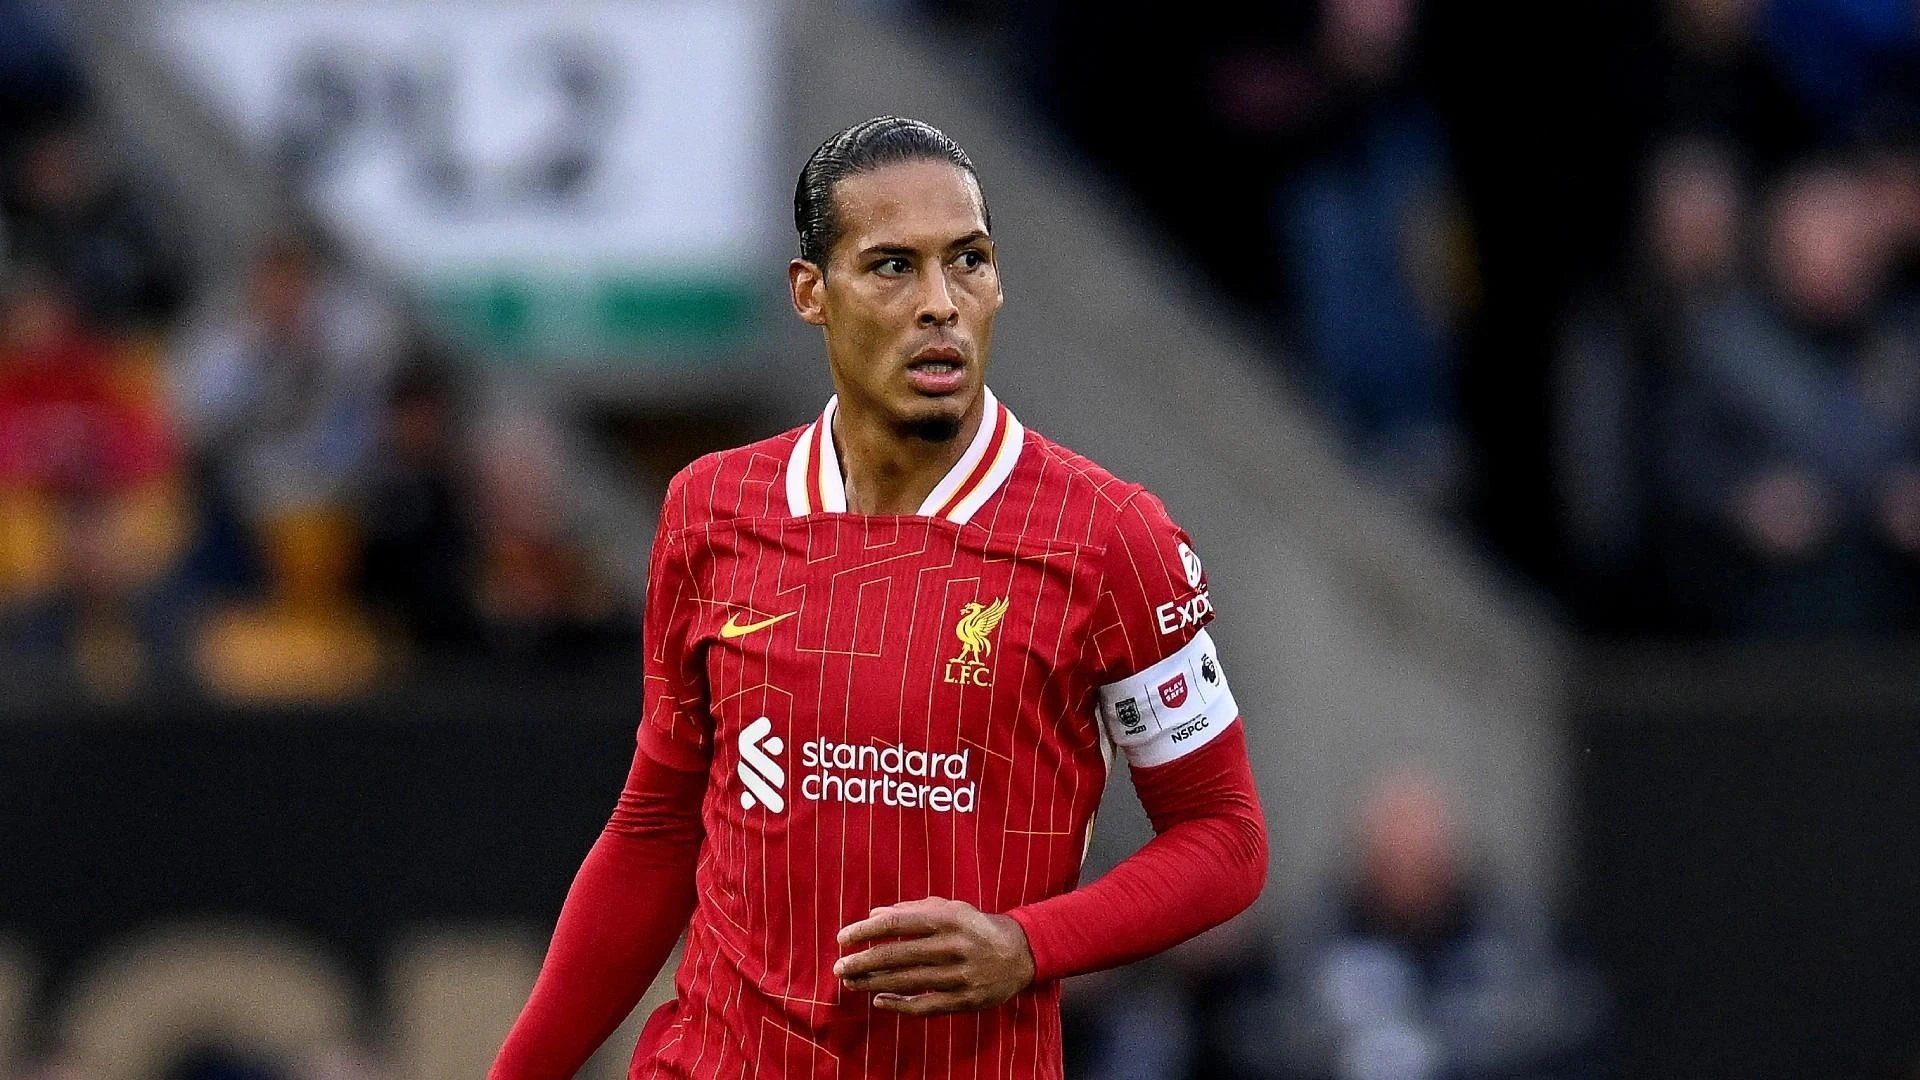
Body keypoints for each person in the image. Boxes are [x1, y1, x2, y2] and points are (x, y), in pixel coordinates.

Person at [489, 116, 1269, 1079]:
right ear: (811, 292)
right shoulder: (712, 509)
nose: (941, 303)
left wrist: (1028, 944)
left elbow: (1225, 838)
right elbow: (655, 828)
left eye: (968, 261)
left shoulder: (1110, 539)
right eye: (893, 266)